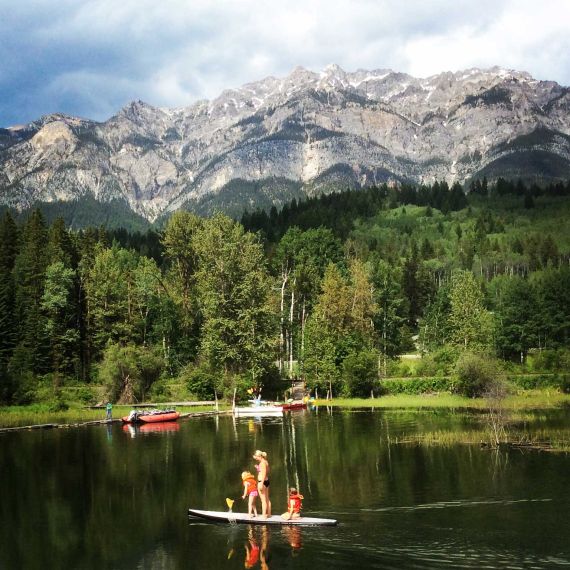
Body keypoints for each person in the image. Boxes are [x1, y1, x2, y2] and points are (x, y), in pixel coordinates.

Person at [253, 450, 271, 518]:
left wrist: (261, 483)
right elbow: (267, 471)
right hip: (266, 481)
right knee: (267, 499)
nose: (256, 459)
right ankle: (268, 514)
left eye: (257, 458)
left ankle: (264, 516)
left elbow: (263, 473)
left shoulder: (262, 463)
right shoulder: (265, 462)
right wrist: (258, 468)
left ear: (260, 456)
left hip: (262, 482)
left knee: (263, 500)